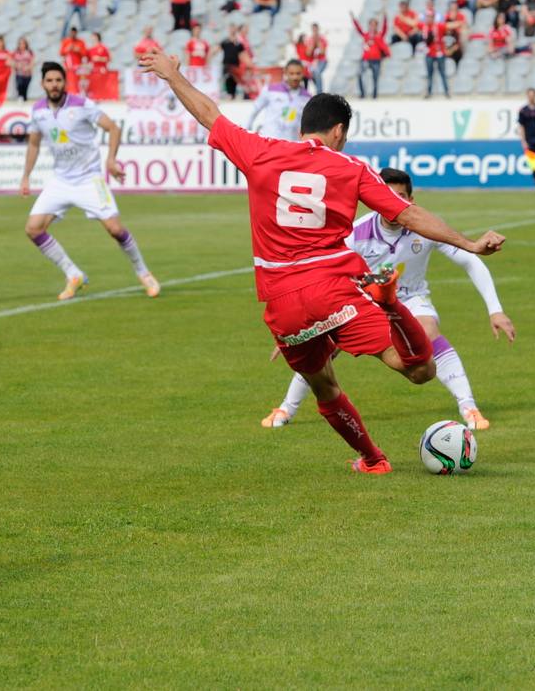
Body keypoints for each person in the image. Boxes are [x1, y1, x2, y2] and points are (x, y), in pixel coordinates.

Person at [137, 51, 506, 472]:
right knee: (419, 369)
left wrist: (172, 76)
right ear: (338, 131)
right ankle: (390, 305)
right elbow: (406, 213)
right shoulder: (350, 167)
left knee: (324, 385)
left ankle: (372, 459)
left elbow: (209, 113)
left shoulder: (260, 151)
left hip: (280, 302)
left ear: (301, 127)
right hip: (334, 289)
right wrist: (469, 243)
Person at [262, 167, 514, 432]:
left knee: (428, 330)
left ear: (411, 201)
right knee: (324, 344)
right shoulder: (355, 233)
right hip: (364, 302)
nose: (394, 204)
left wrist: (495, 310)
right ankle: (287, 407)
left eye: (402, 197)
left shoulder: (426, 227)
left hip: (412, 299)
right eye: (387, 196)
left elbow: (469, 261)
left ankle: (468, 405)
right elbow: (323, 274)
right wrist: (303, 323)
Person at [19, 63, 159, 300]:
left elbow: (113, 128)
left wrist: (111, 160)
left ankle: (143, 272)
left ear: (65, 82)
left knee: (115, 229)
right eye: (50, 81)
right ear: (43, 84)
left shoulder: (81, 105)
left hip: (89, 179)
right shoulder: (38, 111)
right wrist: (26, 176)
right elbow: (34, 143)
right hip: (61, 180)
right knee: (33, 229)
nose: (54, 85)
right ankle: (73, 274)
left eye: (58, 80)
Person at [248, 59, 313, 140]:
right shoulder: (270, 89)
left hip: (292, 144)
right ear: (285, 73)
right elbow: (255, 109)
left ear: (303, 73)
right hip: (270, 142)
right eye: (291, 73)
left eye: (298, 73)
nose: (295, 77)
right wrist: (247, 129)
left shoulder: (307, 98)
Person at [351, 13, 389, 98]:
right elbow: (359, 29)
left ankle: (374, 95)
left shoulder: (379, 35)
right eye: (370, 25)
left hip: (376, 60)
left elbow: (385, 29)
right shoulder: (366, 35)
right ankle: (362, 93)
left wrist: (385, 19)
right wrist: (354, 19)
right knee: (359, 73)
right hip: (366, 59)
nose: (372, 27)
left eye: (374, 25)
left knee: (375, 78)